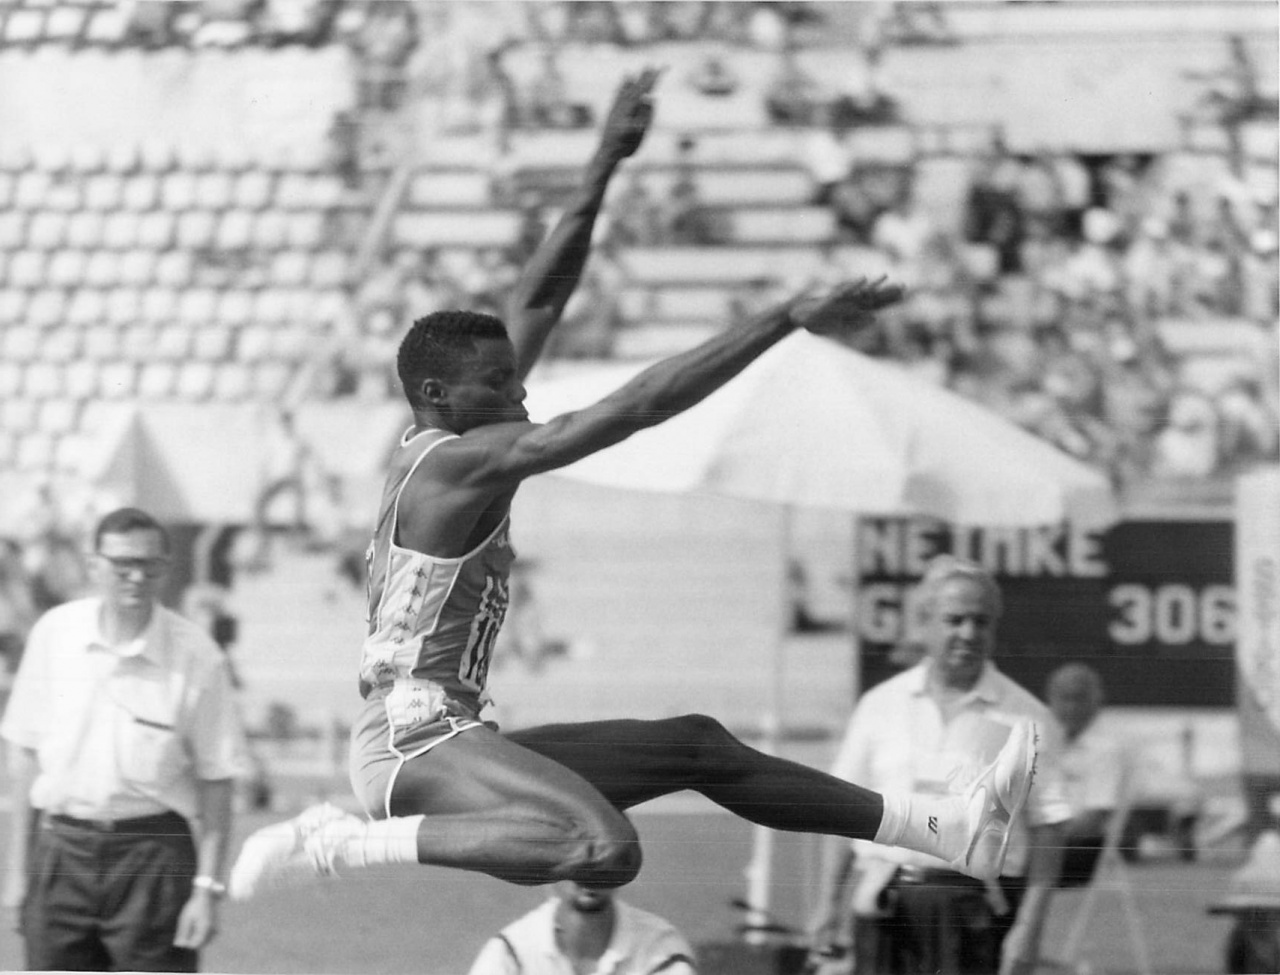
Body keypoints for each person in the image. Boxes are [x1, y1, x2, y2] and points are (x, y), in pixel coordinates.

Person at [229, 70, 1039, 908]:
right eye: (500, 387)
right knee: (606, 848)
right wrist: (783, 318)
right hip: (411, 742)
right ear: (437, 395)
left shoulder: (459, 437)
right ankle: (343, 844)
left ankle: (940, 827)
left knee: (695, 746)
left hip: (447, 729)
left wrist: (603, 166)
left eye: (515, 378)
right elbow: (636, 407)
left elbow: (540, 295)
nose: (521, 395)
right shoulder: (454, 463)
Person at [0, 507, 248, 972]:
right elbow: (25, 758)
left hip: (154, 854)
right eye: (121, 565)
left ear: (166, 568)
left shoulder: (197, 657)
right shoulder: (55, 634)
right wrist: (16, 874)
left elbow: (218, 779)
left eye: (149, 565)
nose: (135, 576)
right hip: (60, 849)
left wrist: (208, 890)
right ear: (93, 565)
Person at [807, 556, 1070, 975]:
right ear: (925, 623)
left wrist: (1030, 929)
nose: (968, 633)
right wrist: (827, 906)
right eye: (955, 620)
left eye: (981, 622)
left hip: (975, 914)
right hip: (884, 904)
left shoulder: (1027, 719)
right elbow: (842, 812)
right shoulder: (881, 705)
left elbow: (1049, 829)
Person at [467, 881, 697, 975]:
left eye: (602, 859)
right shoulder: (510, 952)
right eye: (576, 857)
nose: (589, 875)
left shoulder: (661, 949)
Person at [1046, 662, 1128, 887]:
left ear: (1096, 701)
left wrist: (1040, 837)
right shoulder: (1042, 743)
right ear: (1051, 700)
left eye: (1079, 698)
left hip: (1080, 851)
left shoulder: (1106, 750)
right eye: (1065, 698)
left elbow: (1094, 820)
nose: (1072, 707)